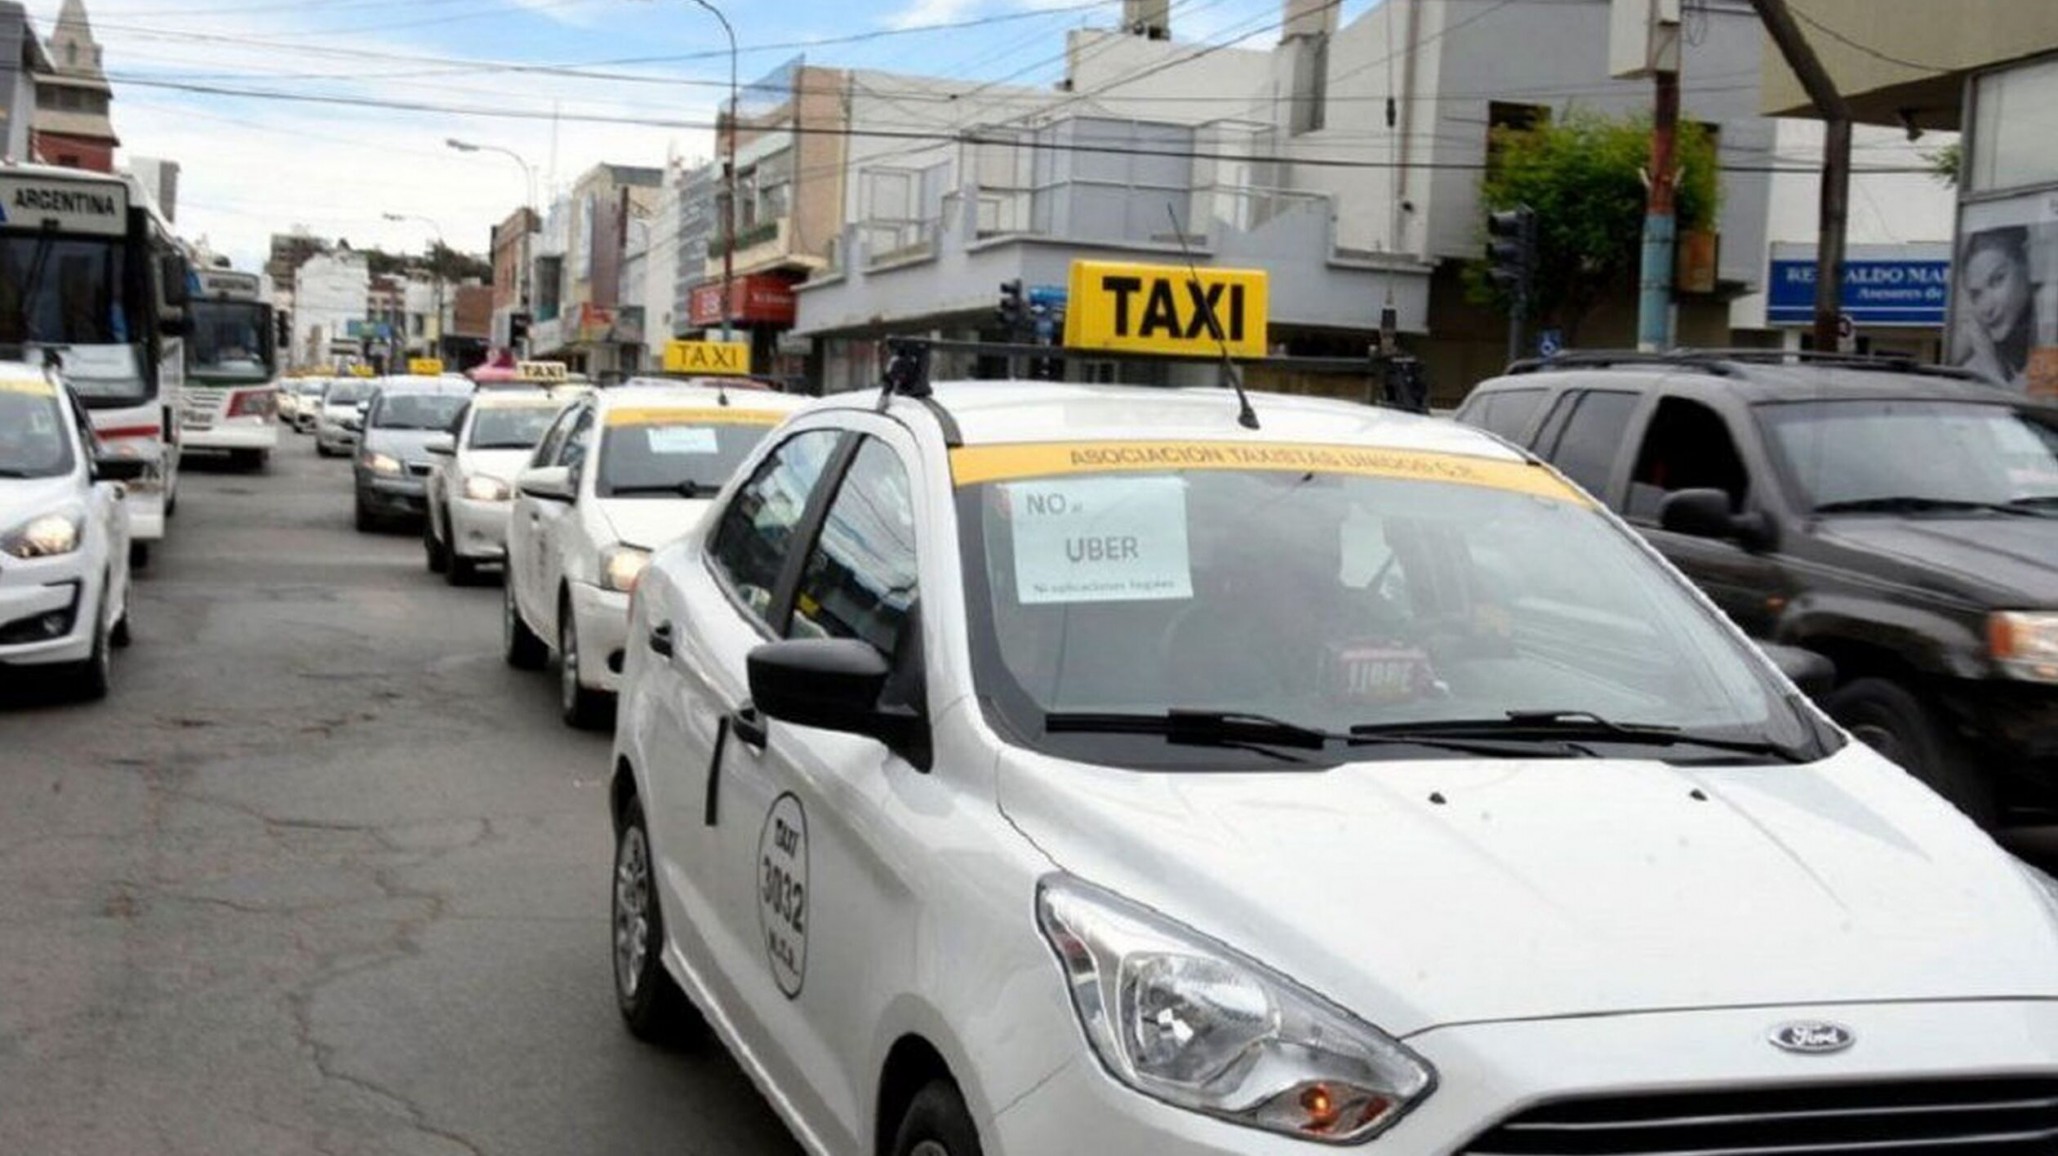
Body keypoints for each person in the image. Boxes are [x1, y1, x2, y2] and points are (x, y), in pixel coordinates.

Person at [1956, 226, 2037, 388]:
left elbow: (2036, 410)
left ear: (2026, 264)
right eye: (1976, 294)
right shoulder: (1975, 362)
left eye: (1997, 280)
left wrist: (1990, 370)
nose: (1987, 308)